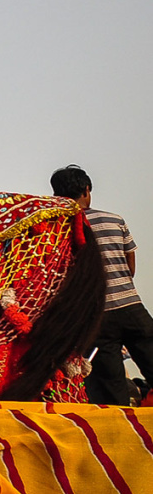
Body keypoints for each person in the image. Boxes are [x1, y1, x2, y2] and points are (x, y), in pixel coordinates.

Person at [54, 165, 153, 406]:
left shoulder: (57, 228)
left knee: (112, 391)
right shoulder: (114, 220)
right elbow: (130, 267)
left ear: (57, 195)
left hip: (95, 318)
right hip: (131, 309)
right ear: (87, 190)